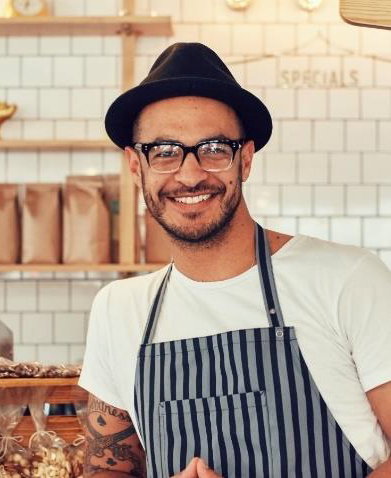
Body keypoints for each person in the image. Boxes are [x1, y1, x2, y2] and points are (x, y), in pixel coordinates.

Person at [78, 42, 391, 477]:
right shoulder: (119, 309)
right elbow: (106, 471)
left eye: (213, 148)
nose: (189, 175)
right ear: (136, 167)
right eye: (165, 151)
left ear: (244, 159)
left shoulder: (348, 279)